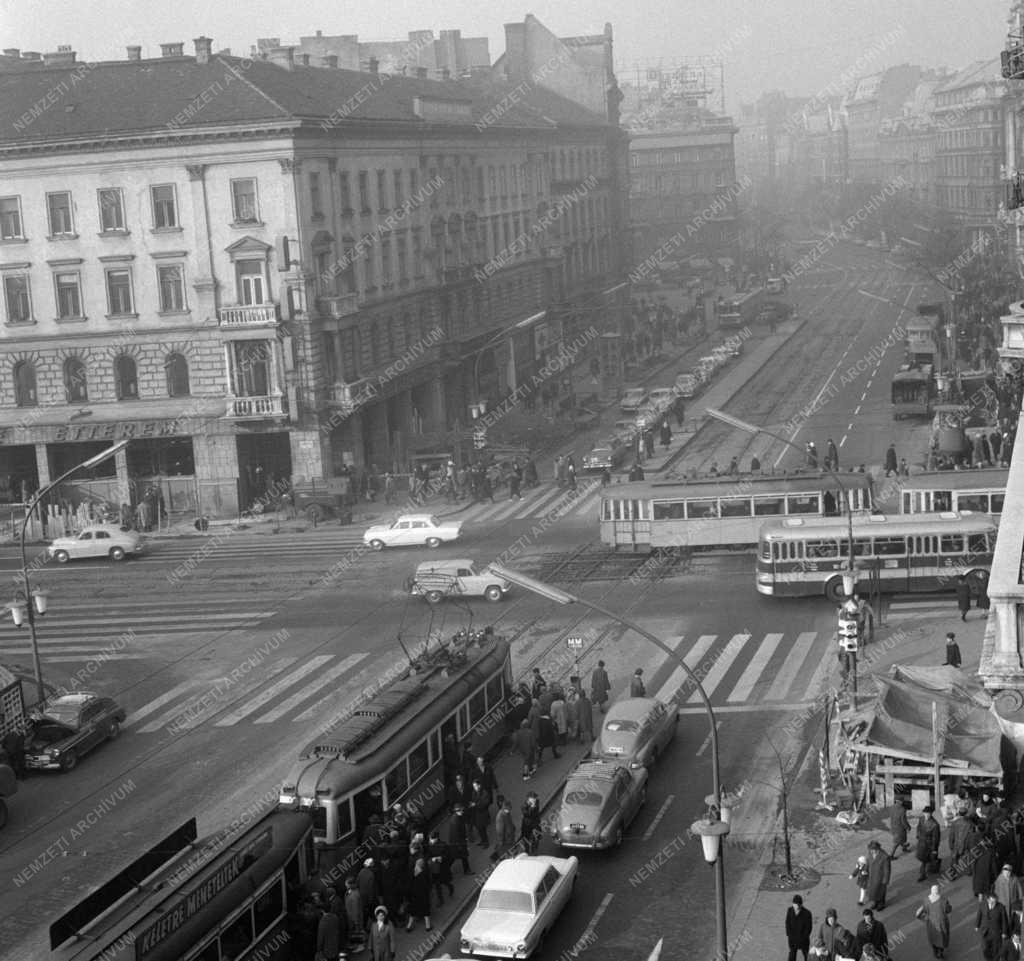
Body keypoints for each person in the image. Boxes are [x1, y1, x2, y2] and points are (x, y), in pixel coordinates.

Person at [917, 883, 952, 959]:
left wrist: (925, 918)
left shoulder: (926, 900)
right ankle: (940, 952)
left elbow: (918, 913)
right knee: (942, 938)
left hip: (931, 924)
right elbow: (949, 910)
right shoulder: (943, 900)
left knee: (933, 938)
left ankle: (935, 951)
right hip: (942, 924)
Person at [976, 892, 1009, 960]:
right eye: (991, 901)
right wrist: (977, 925)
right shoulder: (983, 905)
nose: (993, 903)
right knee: (985, 949)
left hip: (996, 933)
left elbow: (1004, 921)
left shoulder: (1001, 907)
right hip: (985, 932)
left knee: (995, 950)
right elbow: (979, 914)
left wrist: (1004, 932)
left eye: (995, 902)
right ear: (988, 900)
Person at [446, 804, 473, 876]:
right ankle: (467, 870)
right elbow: (456, 834)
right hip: (459, 842)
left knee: (459, 856)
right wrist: (460, 845)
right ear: (457, 811)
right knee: (462, 856)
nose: (462, 811)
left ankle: (466, 870)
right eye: (461, 810)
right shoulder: (456, 820)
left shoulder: (456, 817)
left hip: (458, 842)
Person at [917, 805, 942, 882]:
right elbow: (918, 828)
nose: (926, 815)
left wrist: (934, 849)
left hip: (929, 845)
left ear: (931, 813)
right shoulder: (921, 819)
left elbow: (936, 838)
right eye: (925, 813)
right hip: (922, 843)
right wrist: (918, 835)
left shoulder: (935, 825)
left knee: (925, 860)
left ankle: (923, 874)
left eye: (928, 813)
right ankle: (928, 870)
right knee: (924, 859)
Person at [865, 840, 891, 911]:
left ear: (878, 849)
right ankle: (875, 902)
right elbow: (868, 862)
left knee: (881, 891)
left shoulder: (884, 857)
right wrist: (866, 870)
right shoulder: (870, 853)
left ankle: (881, 904)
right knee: (873, 891)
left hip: (880, 878)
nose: (872, 851)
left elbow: (887, 870)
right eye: (871, 849)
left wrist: (885, 880)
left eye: (873, 849)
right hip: (872, 876)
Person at [785, 894, 813, 961]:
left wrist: (802, 938)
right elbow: (787, 923)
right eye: (795, 904)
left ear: (801, 904)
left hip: (803, 940)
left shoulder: (807, 913)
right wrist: (789, 935)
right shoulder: (790, 910)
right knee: (792, 956)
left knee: (807, 955)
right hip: (792, 940)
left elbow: (808, 928)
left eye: (798, 904)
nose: (796, 906)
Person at [469, 778, 492, 847]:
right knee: (479, 829)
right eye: (474, 786)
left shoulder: (484, 793)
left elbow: (485, 804)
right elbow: (474, 800)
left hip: (482, 814)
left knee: (483, 829)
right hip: (477, 814)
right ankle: (483, 841)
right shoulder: (474, 792)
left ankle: (486, 842)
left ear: (479, 785)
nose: (475, 788)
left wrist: (475, 804)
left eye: (475, 786)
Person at [521, 792, 542, 856]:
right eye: (533, 798)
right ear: (529, 799)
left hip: (535, 823)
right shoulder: (524, 806)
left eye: (535, 798)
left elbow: (536, 812)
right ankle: (526, 851)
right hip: (527, 825)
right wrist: (532, 807)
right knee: (526, 838)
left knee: (537, 836)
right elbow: (527, 814)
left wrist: (534, 805)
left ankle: (534, 849)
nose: (535, 799)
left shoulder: (536, 802)